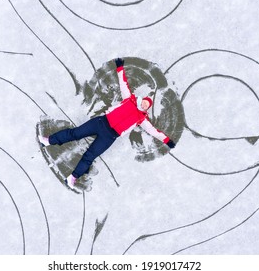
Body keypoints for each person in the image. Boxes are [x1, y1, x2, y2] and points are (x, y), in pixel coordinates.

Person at [38, 58, 176, 191]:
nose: (146, 105)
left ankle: (73, 177)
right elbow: (123, 84)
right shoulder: (129, 99)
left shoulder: (142, 119)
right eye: (146, 102)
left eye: (148, 105)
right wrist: (120, 68)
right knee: (75, 133)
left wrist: (166, 140)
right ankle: (48, 140)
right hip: (100, 122)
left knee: (90, 156)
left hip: (109, 136)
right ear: (142, 100)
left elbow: (153, 131)